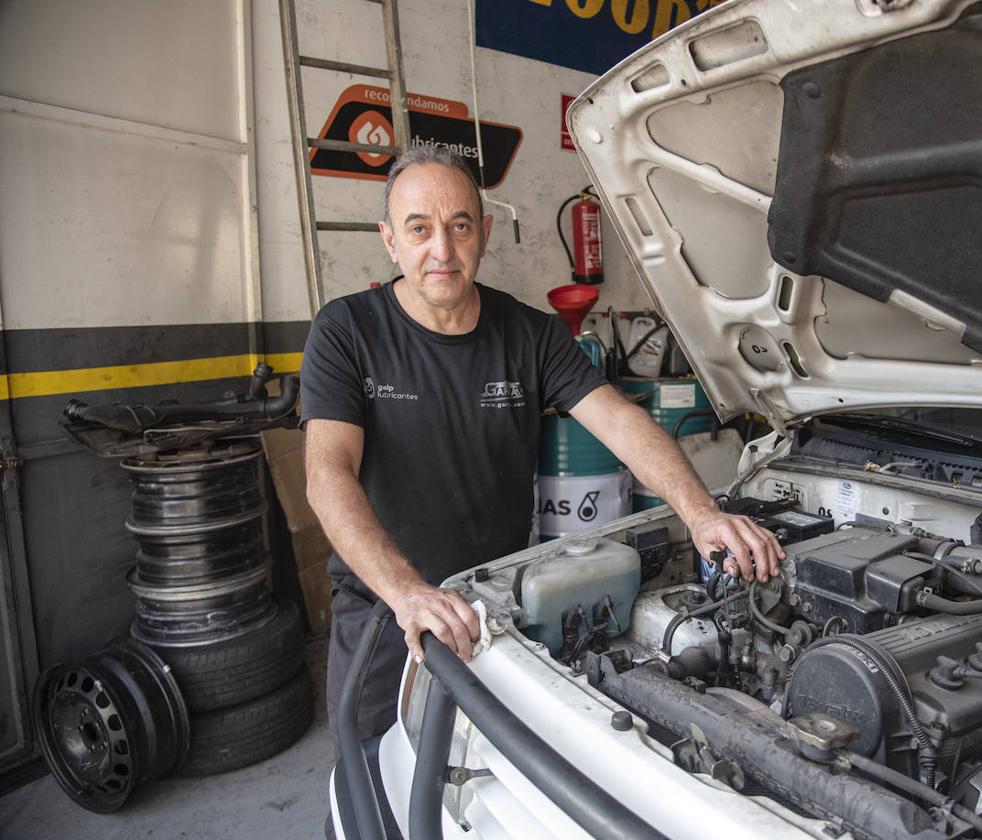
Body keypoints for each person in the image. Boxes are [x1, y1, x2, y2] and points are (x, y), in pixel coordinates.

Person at [300, 146, 784, 764]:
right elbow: (326, 475)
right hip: (389, 611)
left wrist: (700, 513)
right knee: (378, 779)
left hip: (500, 604)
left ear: (485, 233)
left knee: (490, 778)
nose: (442, 250)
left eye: (460, 226)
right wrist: (407, 592)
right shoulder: (347, 331)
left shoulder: (528, 332)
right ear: (390, 241)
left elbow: (617, 420)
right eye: (419, 229)